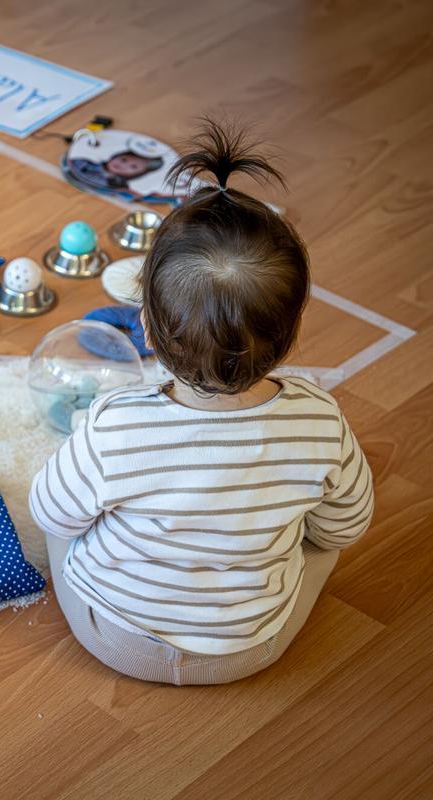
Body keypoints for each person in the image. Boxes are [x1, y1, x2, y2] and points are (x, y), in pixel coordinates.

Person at [30, 119, 373, 685]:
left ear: (143, 324)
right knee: (321, 542)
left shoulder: (115, 425)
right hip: (254, 647)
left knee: (62, 513)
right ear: (292, 333)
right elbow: (344, 528)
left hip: (114, 637)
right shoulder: (322, 421)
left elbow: (50, 512)